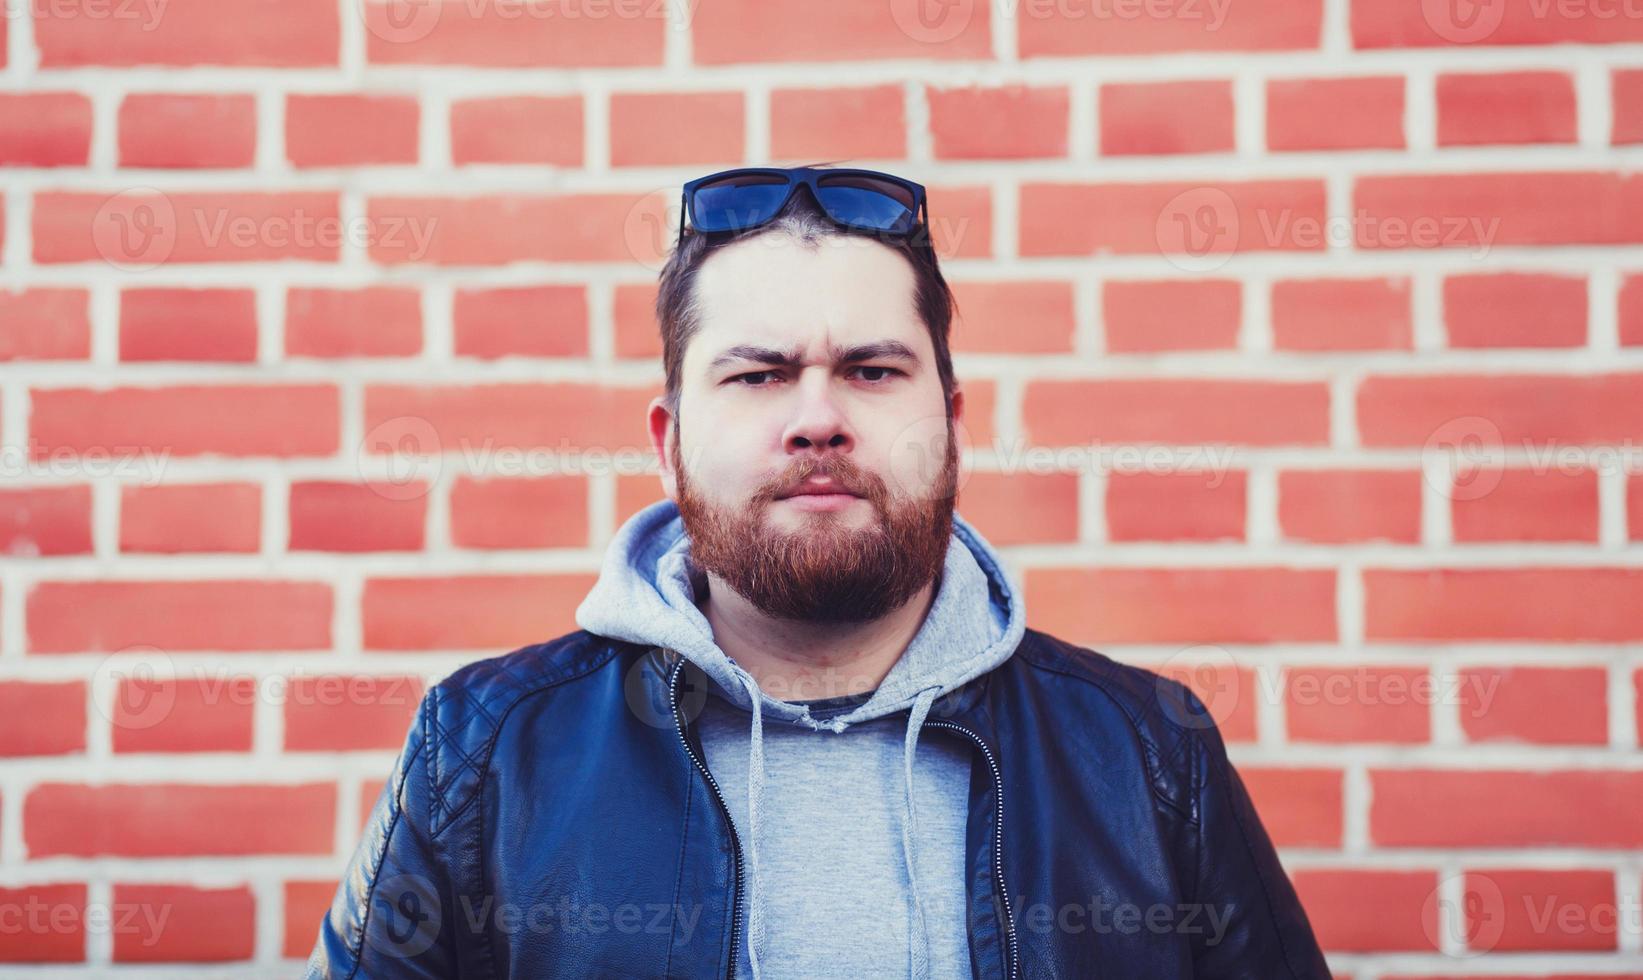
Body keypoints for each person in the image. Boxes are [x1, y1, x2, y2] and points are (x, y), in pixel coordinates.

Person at [304, 164, 1331, 979]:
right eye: (756, 374)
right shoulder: (481, 754)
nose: (816, 417)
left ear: (950, 423)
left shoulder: (1148, 756)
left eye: (872, 370)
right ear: (667, 443)